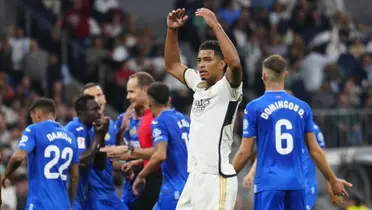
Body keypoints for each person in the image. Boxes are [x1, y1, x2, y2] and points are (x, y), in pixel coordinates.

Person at [232, 54, 352, 210]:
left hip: (269, 184)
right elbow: (315, 151)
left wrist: (227, 176)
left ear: (263, 76)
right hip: (296, 184)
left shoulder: (255, 107)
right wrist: (332, 179)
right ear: (286, 75)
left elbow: (245, 152)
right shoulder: (303, 108)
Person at [163, 7, 243, 209]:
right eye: (199, 60)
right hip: (194, 177)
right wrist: (172, 31)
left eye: (208, 60)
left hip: (217, 177)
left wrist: (216, 26)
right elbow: (172, 65)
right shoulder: (197, 83)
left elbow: (236, 64)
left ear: (222, 64)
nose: (201, 65)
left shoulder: (229, 89)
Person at [242, 90, 341, 209]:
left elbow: (321, 155)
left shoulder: (311, 128)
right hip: (283, 185)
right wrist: (251, 173)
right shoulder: (276, 128)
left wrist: (330, 181)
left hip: (305, 185)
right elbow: (266, 153)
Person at [1, 98, 79, 210]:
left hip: (40, 204)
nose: (32, 122)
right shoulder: (71, 137)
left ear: (37, 115)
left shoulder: (34, 129)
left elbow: (18, 156)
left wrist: (6, 173)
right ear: (54, 115)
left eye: (32, 118)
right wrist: (70, 203)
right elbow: (75, 177)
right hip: (63, 205)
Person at [101, 73, 163, 210]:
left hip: (152, 182)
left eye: (131, 92)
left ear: (145, 90)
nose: (128, 96)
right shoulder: (124, 118)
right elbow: (114, 149)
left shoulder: (158, 119)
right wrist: (121, 129)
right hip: (129, 186)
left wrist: (135, 160)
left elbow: (160, 153)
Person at [132, 82, 190, 210]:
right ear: (169, 100)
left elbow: (160, 155)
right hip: (191, 186)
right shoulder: (185, 119)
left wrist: (141, 176)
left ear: (150, 103)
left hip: (173, 188)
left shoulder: (159, 121)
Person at [80, 83, 128, 210]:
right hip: (92, 195)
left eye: (98, 95)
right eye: (91, 97)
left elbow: (107, 162)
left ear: (104, 98)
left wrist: (124, 167)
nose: (96, 100)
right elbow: (80, 162)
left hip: (108, 190)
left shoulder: (110, 125)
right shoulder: (81, 128)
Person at [65, 95, 110, 210]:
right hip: (68, 193)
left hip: (80, 195)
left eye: (99, 109)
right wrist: (98, 136)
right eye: (94, 109)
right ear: (81, 112)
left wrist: (102, 136)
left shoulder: (89, 131)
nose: (99, 113)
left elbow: (100, 165)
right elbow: (81, 161)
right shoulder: (75, 128)